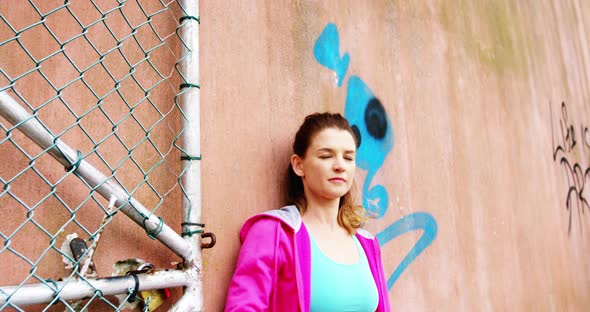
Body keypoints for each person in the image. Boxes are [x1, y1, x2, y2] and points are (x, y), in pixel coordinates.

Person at [225, 112, 391, 312]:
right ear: (299, 165)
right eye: (326, 156)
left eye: (348, 157)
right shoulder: (274, 233)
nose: (340, 166)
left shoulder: (368, 244)